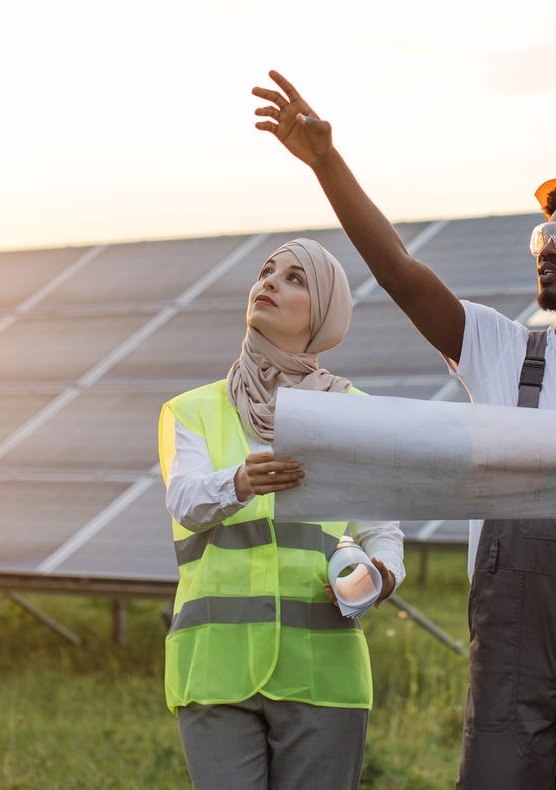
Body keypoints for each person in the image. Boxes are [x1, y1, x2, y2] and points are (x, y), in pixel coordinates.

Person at [252, 71, 556, 790]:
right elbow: (398, 271)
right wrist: (325, 160)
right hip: (511, 653)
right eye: (544, 233)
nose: (547, 248)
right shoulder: (500, 350)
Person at [159, 237, 405, 790]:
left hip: (325, 671)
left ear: (323, 313)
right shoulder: (191, 411)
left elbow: (381, 528)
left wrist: (383, 574)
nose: (269, 282)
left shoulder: (353, 412)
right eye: (267, 272)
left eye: (295, 278)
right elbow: (186, 501)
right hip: (215, 669)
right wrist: (240, 482)